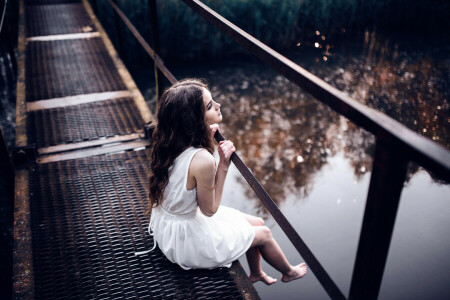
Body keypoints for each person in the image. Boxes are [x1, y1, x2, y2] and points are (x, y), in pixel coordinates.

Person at [141, 78, 307, 285]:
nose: (218, 106)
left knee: (258, 223)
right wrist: (223, 166)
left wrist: (205, 139)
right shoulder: (203, 160)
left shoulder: (169, 142)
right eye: (210, 106)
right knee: (264, 233)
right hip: (187, 245)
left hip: (169, 227)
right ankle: (289, 272)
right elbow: (210, 210)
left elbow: (187, 173)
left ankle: (256, 273)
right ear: (194, 120)